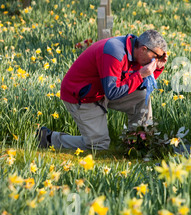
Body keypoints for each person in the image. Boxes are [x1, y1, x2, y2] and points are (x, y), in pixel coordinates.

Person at [36, 29, 168, 151]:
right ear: (144, 49)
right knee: (99, 145)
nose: (155, 61)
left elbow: (140, 85)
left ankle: (137, 143)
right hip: (82, 95)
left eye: (160, 58)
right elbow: (113, 92)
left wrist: (158, 68)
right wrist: (140, 74)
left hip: (104, 90)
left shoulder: (138, 54)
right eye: (156, 57)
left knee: (142, 96)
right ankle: (48, 138)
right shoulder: (115, 52)